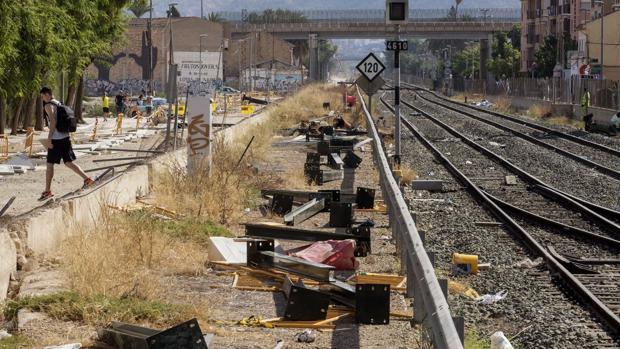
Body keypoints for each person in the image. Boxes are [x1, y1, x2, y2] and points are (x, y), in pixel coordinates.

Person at [39, 87, 94, 201]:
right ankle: (87, 179)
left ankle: (47, 191)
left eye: (43, 96)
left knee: (49, 165)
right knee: (68, 162)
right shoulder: (59, 103)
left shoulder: (48, 105)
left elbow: (53, 122)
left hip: (56, 139)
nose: (42, 99)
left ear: (47, 94)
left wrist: (49, 139)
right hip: (65, 137)